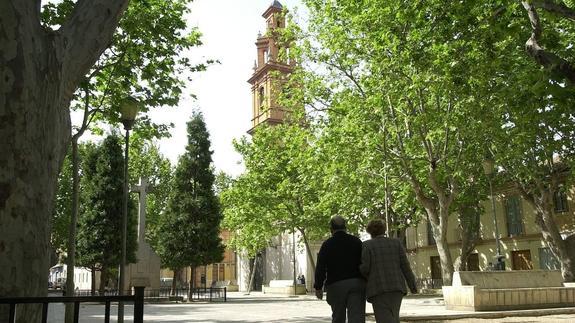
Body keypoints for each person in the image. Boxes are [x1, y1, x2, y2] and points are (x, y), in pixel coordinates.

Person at [360, 219, 418, 323]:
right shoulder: (396, 243)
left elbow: (365, 268)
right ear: (384, 230)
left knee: (383, 319)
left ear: (370, 231)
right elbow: (405, 266)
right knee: (394, 317)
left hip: (377, 288)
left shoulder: (366, 245)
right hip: (396, 288)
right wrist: (412, 285)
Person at [314, 216, 366, 323]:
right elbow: (364, 262)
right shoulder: (356, 241)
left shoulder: (327, 244)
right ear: (345, 227)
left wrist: (318, 286)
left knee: (338, 317)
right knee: (357, 318)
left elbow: (321, 267)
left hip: (336, 284)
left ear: (331, 229)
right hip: (356, 283)